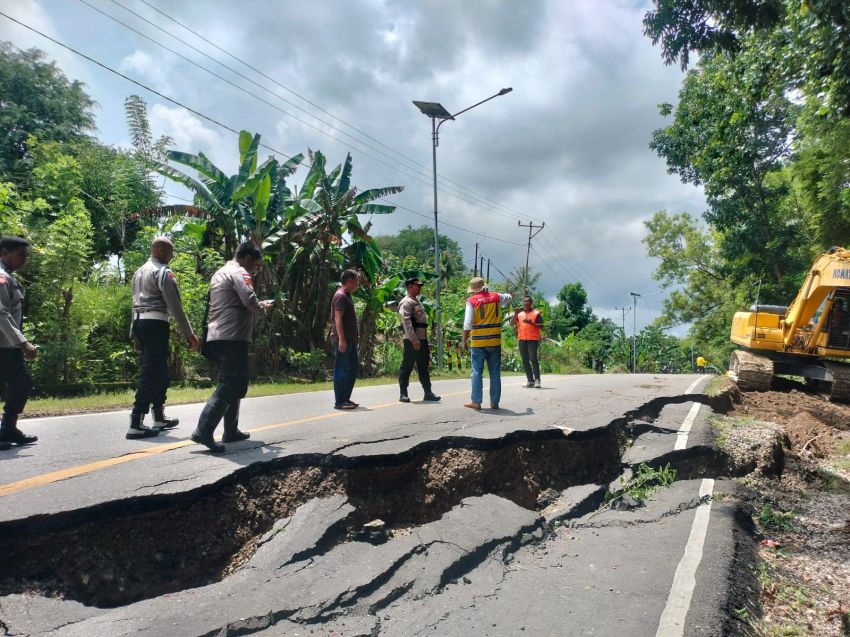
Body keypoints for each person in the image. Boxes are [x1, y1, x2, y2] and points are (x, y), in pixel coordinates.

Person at [190, 241, 273, 452]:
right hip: (232, 337)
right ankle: (204, 429)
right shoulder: (239, 272)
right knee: (231, 384)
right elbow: (248, 298)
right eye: (254, 265)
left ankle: (231, 430)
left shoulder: (221, 272)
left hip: (218, 335)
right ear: (247, 259)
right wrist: (262, 308)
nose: (254, 270)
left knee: (232, 382)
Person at [128, 237, 199, 440]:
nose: (171, 256)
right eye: (170, 252)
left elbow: (133, 305)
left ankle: (158, 417)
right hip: (156, 324)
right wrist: (189, 333)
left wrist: (134, 334)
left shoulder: (139, 272)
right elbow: (175, 305)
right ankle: (136, 422)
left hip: (141, 323)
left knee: (161, 372)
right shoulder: (163, 272)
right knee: (150, 372)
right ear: (159, 250)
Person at [0, 236, 38, 448]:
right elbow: (1, 314)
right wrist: (23, 343)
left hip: (7, 345)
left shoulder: (8, 277)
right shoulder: (1, 277)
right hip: (4, 345)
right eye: (20, 255)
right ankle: (6, 429)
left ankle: (8, 429)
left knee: (21, 383)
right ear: (4, 253)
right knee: (19, 382)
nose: (24, 259)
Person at [462, 277, 512, 410]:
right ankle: (494, 402)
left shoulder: (471, 301)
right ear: (484, 286)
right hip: (494, 341)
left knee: (477, 371)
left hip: (478, 342)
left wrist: (464, 341)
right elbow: (508, 297)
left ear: (473, 290)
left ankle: (476, 402)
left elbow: (467, 323)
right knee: (494, 372)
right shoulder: (497, 297)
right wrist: (508, 294)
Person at [398, 277, 440, 403]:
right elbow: (406, 322)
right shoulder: (406, 302)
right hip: (412, 340)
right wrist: (414, 339)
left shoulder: (416, 302)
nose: (420, 288)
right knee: (407, 366)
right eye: (417, 286)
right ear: (410, 287)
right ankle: (403, 393)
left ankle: (428, 392)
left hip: (422, 339)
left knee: (423, 366)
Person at [330, 269, 361, 410]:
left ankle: (346, 398)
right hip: (343, 340)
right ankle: (340, 401)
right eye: (357, 281)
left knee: (353, 368)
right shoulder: (340, 295)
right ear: (350, 280)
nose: (358, 285)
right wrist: (342, 339)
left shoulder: (347, 295)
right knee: (341, 369)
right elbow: (338, 318)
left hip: (350, 340)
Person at [511, 295, 544, 388]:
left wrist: (531, 323)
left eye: (528, 301)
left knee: (533, 358)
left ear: (531, 303)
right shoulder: (520, 314)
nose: (526, 303)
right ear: (523, 303)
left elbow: (542, 326)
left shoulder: (536, 313)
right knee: (525, 360)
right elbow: (511, 324)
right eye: (524, 301)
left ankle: (537, 380)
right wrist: (515, 313)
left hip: (533, 339)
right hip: (522, 339)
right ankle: (530, 380)